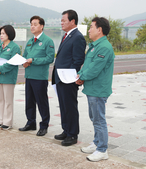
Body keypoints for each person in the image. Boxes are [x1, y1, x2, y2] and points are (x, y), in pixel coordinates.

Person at [76, 17, 114, 162]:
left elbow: (94, 69)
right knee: (94, 118)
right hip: (92, 88)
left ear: (100, 29)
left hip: (98, 89)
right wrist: (80, 74)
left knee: (99, 120)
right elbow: (87, 66)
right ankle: (97, 142)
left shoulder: (104, 47)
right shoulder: (94, 46)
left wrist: (81, 77)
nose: (89, 30)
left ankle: (102, 149)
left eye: (91, 27)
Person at [52, 10, 86, 146]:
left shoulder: (78, 37)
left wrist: (70, 76)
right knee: (63, 105)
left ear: (72, 21)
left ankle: (72, 134)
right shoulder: (66, 36)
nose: (61, 23)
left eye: (63, 20)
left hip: (68, 79)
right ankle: (66, 130)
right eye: (61, 20)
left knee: (70, 106)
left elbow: (78, 60)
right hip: (60, 78)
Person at [19, 16, 55, 136]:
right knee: (29, 101)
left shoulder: (47, 41)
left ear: (42, 26)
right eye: (31, 24)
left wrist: (33, 60)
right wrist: (24, 61)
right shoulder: (30, 41)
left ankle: (44, 125)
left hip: (40, 77)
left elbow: (50, 58)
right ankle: (31, 122)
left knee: (42, 102)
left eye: (35, 24)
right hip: (29, 76)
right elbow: (25, 56)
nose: (32, 26)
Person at [0, 25, 20, 130]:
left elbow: (12, 63)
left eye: (3, 33)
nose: (1, 35)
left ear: (9, 34)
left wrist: (0, 69)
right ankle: (0, 120)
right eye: (1, 33)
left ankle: (8, 122)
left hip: (8, 77)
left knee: (8, 100)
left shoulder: (14, 47)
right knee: (0, 100)